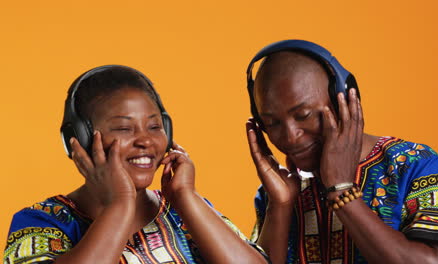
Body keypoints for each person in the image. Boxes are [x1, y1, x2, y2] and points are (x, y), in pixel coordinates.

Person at [4, 65, 268, 264]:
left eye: (155, 126)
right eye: (124, 128)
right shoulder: (43, 221)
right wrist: (120, 203)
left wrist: (186, 197)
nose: (145, 140)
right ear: (80, 139)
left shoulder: (188, 211)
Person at [245, 40, 438, 264]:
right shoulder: (277, 192)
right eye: (273, 123)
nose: (290, 136)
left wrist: (341, 190)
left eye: (303, 115)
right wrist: (279, 206)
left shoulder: (415, 163)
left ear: (343, 98)